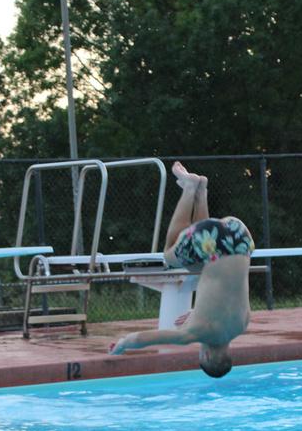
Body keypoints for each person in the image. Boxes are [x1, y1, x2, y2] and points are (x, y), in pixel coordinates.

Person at [109, 161, 254, 378]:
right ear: (206, 356)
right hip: (213, 242)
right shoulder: (195, 332)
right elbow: (143, 339)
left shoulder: (241, 325)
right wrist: (121, 345)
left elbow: (229, 298)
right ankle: (189, 187)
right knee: (169, 254)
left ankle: (201, 191)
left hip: (240, 237)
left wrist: (198, 311)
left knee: (201, 260)